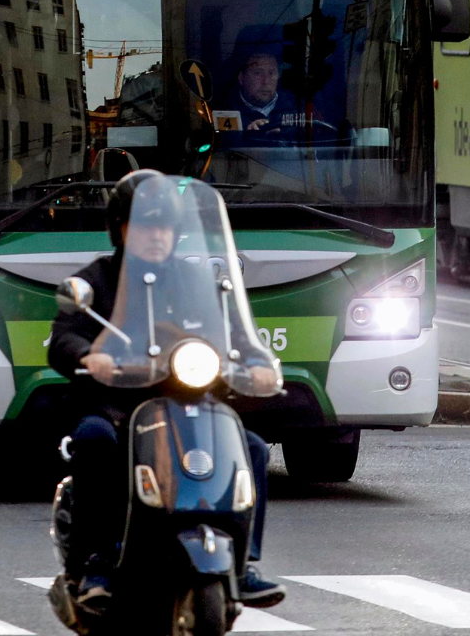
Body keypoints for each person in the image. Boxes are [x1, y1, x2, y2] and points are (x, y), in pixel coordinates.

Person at [48, 169, 286, 610]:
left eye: (163, 226)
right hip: (118, 403)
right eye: (142, 224)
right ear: (120, 228)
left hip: (187, 398)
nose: (154, 235)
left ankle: (244, 562)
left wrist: (257, 365)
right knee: (94, 440)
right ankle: (97, 561)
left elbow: (233, 330)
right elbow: (64, 335)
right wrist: (87, 355)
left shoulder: (195, 281)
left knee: (251, 447)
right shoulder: (97, 279)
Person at [230, 50, 302, 132]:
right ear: (241, 77)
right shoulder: (225, 110)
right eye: (257, 73)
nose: (266, 81)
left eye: (271, 73)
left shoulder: (298, 107)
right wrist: (248, 132)